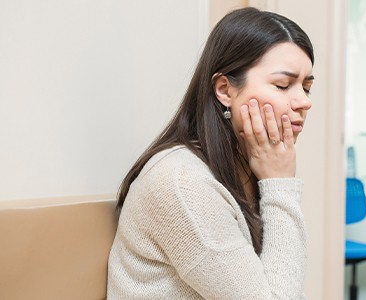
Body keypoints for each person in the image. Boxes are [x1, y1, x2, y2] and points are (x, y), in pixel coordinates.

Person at [107, 6, 314, 299]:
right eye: (283, 85)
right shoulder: (181, 183)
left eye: (306, 87)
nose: (303, 102)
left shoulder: (248, 168)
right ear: (224, 90)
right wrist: (281, 186)